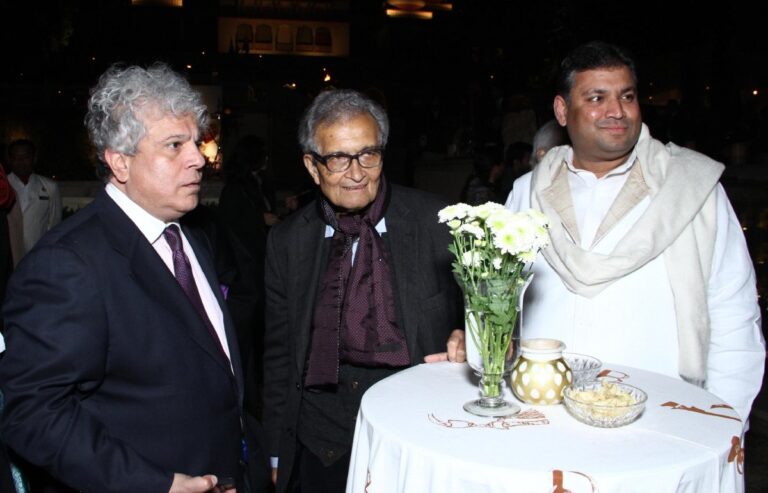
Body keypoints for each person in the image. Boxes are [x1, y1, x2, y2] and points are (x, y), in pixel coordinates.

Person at [0, 63, 248, 493]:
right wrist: (156, 484)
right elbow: (31, 412)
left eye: (196, 142)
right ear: (120, 162)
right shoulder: (67, 265)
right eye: (175, 145)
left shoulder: (191, 236)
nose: (197, 158)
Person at [495, 41, 763, 423]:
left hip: (663, 412)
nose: (616, 111)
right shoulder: (527, 191)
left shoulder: (692, 187)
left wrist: (724, 417)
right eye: (597, 97)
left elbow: (732, 310)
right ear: (562, 110)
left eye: (627, 96)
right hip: (542, 410)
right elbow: (500, 300)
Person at [263, 89, 462, 493]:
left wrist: (470, 338)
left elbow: (489, 316)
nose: (356, 173)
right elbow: (279, 355)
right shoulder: (288, 241)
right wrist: (275, 450)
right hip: (321, 448)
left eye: (368, 154)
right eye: (337, 158)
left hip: (420, 437)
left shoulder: (437, 223)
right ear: (312, 166)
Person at [6, 139, 63, 255]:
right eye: (16, 157)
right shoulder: (4, 187)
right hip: (8, 255)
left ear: (34, 158)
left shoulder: (49, 187)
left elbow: (54, 224)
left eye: (25, 157)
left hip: (37, 253)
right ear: (10, 160)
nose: (21, 161)